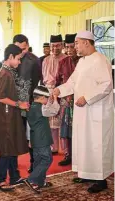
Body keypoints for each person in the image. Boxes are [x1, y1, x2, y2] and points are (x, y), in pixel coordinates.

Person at [53, 30, 114, 193]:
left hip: (97, 112)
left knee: (96, 145)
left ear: (87, 43)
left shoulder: (101, 60)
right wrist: (59, 90)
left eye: (77, 43)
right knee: (84, 142)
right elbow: (72, 82)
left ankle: (100, 180)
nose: (75, 47)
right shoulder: (82, 61)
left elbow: (106, 85)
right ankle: (87, 173)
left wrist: (87, 98)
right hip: (83, 112)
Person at [0, 44, 29, 191]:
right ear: (11, 57)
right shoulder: (4, 73)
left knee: (12, 146)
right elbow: (0, 97)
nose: (20, 62)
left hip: (10, 115)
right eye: (18, 59)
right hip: (5, 117)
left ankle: (14, 176)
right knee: (6, 149)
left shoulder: (8, 71)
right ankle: (0, 179)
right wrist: (18, 104)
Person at [13, 34, 41, 173]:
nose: (22, 52)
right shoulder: (9, 59)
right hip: (13, 104)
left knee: (32, 135)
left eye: (24, 48)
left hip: (29, 104)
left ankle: (33, 162)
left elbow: (37, 83)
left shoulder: (34, 60)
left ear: (28, 46)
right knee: (15, 134)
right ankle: (13, 165)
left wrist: (32, 102)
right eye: (19, 49)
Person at [26, 85, 60, 190]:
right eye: (46, 98)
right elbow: (55, 110)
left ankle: (40, 182)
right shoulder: (42, 108)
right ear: (41, 98)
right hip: (42, 140)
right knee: (47, 159)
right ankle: (32, 179)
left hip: (34, 139)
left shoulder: (31, 107)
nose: (47, 100)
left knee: (38, 161)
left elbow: (28, 125)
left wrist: (29, 140)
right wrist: (55, 98)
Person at [56, 33, 80, 166]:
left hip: (80, 101)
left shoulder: (83, 61)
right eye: (68, 47)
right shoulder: (63, 62)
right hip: (66, 100)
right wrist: (58, 100)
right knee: (66, 130)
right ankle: (68, 154)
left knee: (78, 129)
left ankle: (79, 155)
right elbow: (57, 81)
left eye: (72, 47)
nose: (70, 50)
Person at [42, 34, 67, 154]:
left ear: (62, 45)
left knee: (61, 121)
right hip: (47, 91)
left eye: (57, 45)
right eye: (53, 46)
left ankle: (66, 149)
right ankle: (54, 147)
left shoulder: (66, 59)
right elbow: (43, 77)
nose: (55, 48)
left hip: (61, 91)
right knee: (49, 122)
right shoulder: (46, 60)